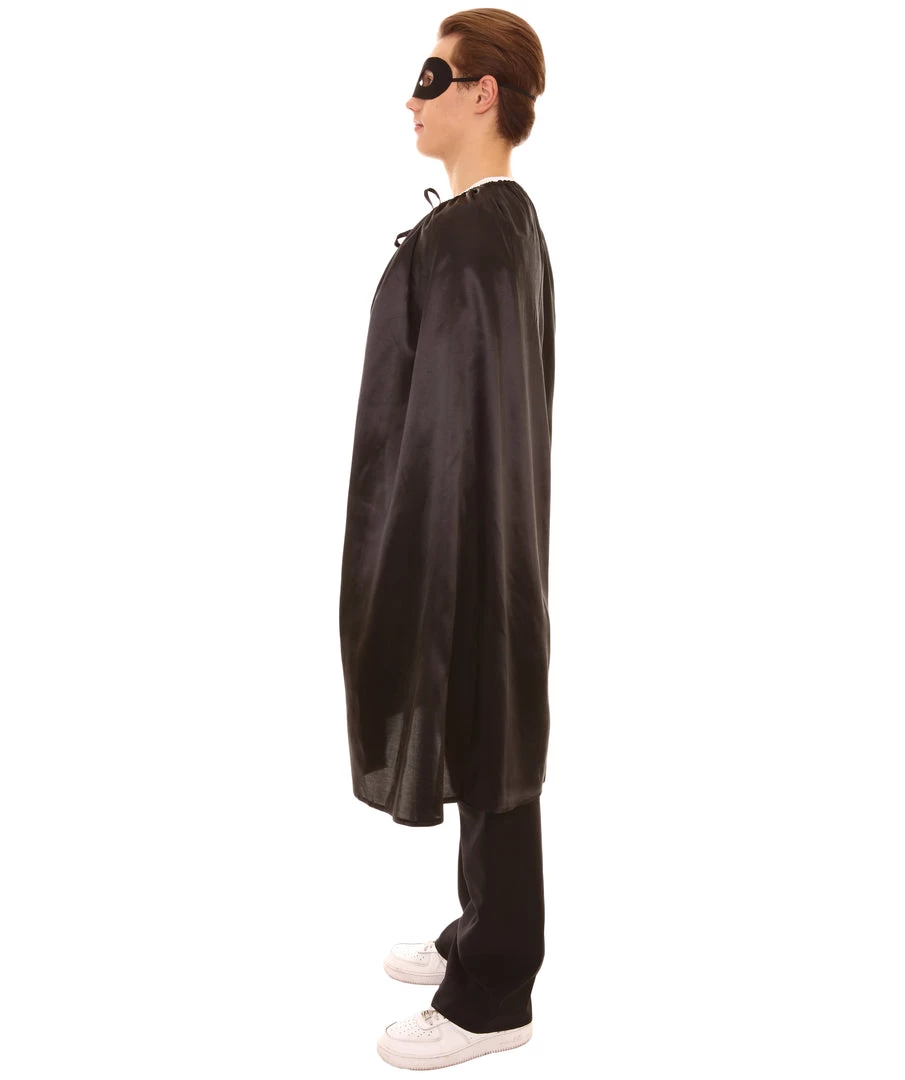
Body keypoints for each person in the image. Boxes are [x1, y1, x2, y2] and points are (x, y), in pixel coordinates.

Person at [338, 8, 555, 1070]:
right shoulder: (495, 225)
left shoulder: (474, 235)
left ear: (482, 94)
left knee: (490, 726)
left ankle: (491, 996)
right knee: (485, 726)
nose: (410, 98)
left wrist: (421, 560)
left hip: (463, 536)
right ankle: (482, 929)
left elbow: (458, 426)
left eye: (431, 78)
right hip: (478, 531)